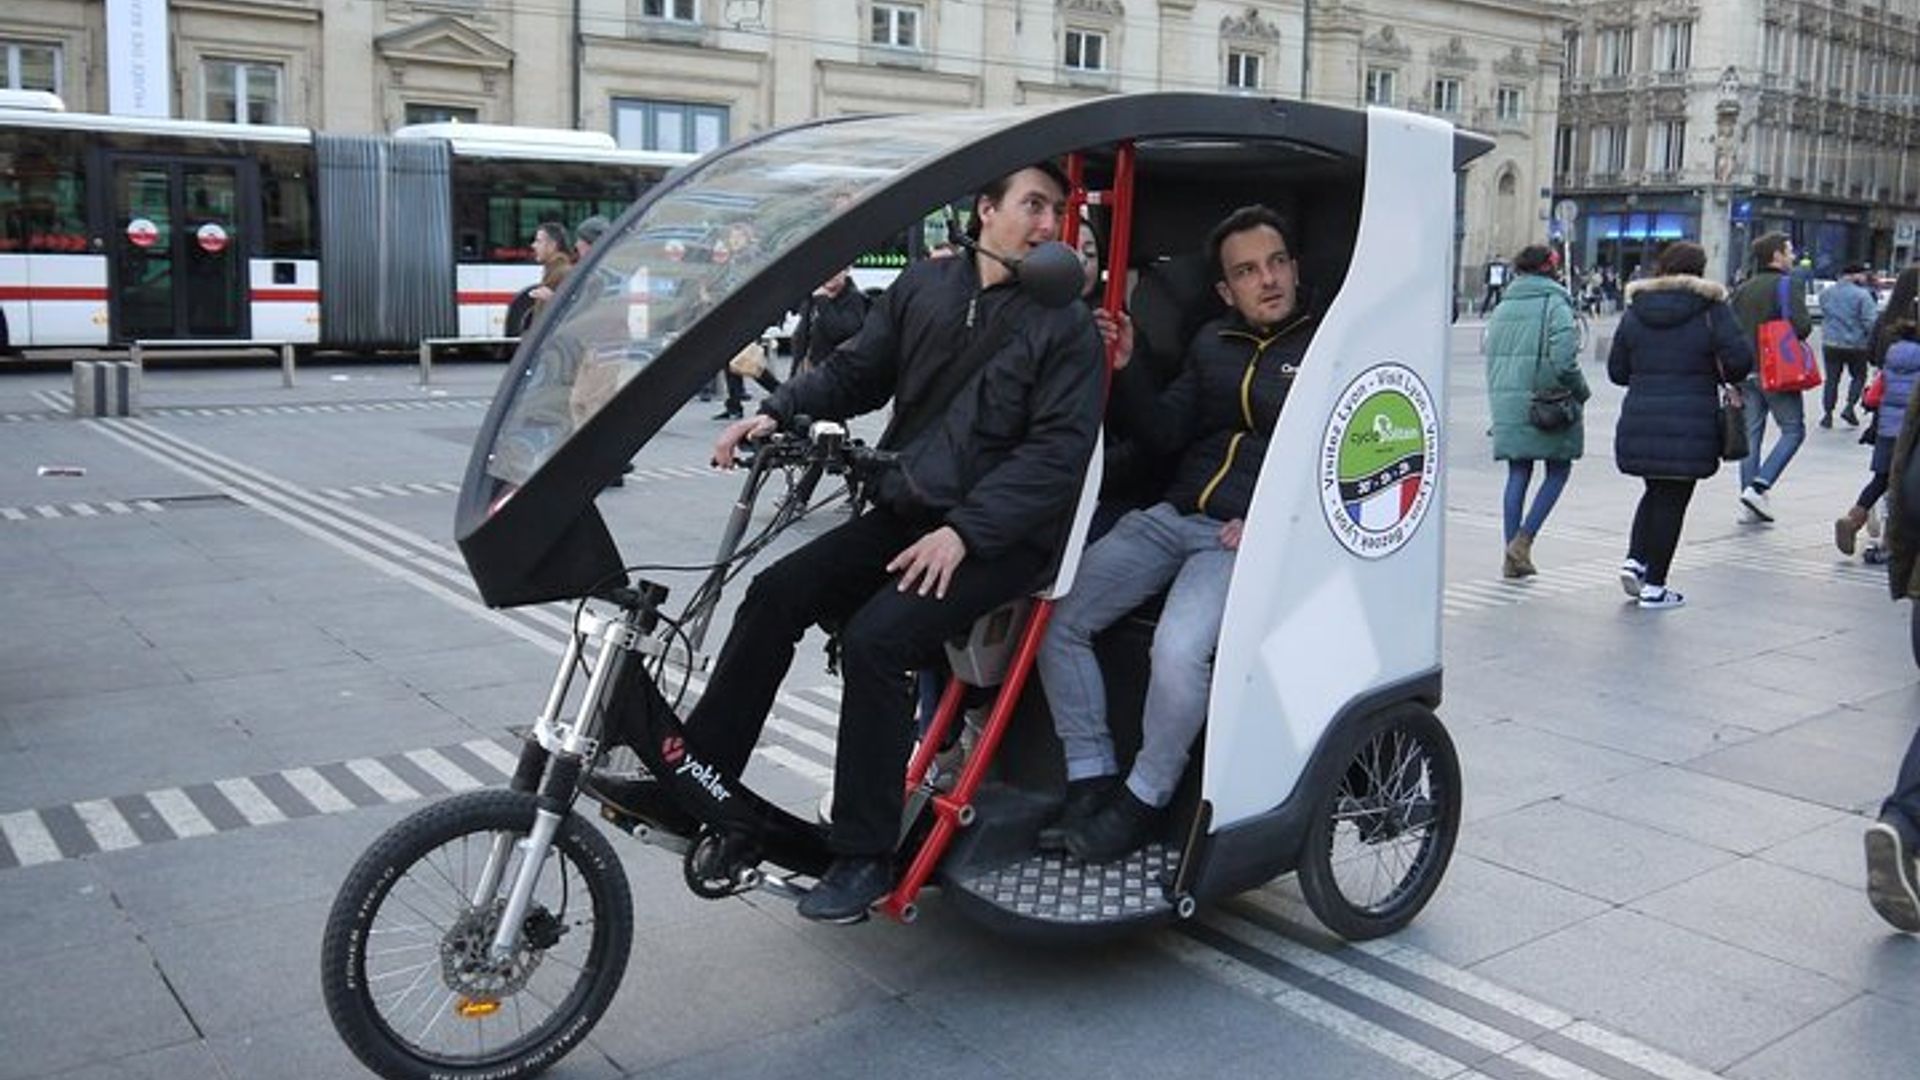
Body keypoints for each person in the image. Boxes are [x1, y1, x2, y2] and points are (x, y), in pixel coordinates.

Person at [597, 163, 1103, 923]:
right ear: (985, 209)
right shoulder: (925, 287)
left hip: (1001, 538)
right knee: (774, 593)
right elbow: (858, 371)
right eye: (1033, 205)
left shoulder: (1065, 326)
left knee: (877, 640)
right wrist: (778, 411)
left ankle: (864, 854)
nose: (1047, 224)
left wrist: (965, 533)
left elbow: (1055, 457)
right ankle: (699, 779)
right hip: (910, 511)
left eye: (1056, 211)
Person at [1035, 205, 1315, 862]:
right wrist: (1129, 366)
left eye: (1277, 263)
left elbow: (1336, 458)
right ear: (1225, 290)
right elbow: (1164, 431)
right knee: (1057, 620)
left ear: (1296, 270)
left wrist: (1273, 517)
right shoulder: (1213, 343)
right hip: (1175, 516)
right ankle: (1090, 774)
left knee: (1177, 648)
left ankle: (1144, 796)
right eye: (1247, 271)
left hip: (1241, 538)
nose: (1268, 280)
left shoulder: (1324, 347)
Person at [1608, 240, 1754, 609]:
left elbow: (1617, 371)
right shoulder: (1711, 309)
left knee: (1655, 489)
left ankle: (1635, 560)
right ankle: (1655, 588)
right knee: (1673, 498)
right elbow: (1739, 361)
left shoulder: (1636, 308)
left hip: (1641, 416)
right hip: (1691, 419)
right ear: (1699, 270)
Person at [1482, 244, 1588, 578]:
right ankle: (1522, 542)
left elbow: (1491, 355)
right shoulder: (1555, 303)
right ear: (1550, 268)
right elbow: (1565, 360)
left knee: (1518, 472)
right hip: (1548, 402)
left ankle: (1511, 556)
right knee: (1558, 470)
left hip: (1509, 403)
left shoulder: (1503, 305)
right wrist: (1582, 390)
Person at [1727, 232, 1813, 523]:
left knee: (1751, 435)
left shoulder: (1742, 288)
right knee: (1793, 430)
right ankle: (1759, 487)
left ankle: (1748, 503)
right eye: (1789, 251)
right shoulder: (1788, 284)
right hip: (1776, 370)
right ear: (1776, 255)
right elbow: (1801, 326)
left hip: (1745, 370)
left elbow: (1730, 329)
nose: (1793, 257)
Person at [1835, 314, 1920, 555]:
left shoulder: (1893, 354)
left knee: (1881, 480)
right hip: (1911, 433)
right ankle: (1892, 541)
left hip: (1886, 428)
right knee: (1907, 487)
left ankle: (1853, 520)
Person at [1817, 263, 1879, 428]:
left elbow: (1824, 313)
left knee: (1831, 380)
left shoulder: (1826, 293)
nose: (1865, 278)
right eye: (1862, 275)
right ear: (1854, 275)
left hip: (1831, 343)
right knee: (1859, 376)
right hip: (1856, 345)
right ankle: (1849, 407)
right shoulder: (1863, 295)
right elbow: (1870, 322)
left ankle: (1827, 414)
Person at [789, 268, 868, 377]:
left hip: (833, 379)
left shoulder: (855, 300)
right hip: (807, 376)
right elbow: (801, 340)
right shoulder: (812, 298)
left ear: (847, 270)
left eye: (837, 269)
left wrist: (822, 301)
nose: (831, 274)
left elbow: (841, 333)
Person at [526, 221, 573, 322]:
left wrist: (552, 299)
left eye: (538, 241)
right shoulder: (554, 270)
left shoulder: (563, 272)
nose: (533, 245)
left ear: (552, 245)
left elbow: (573, 312)